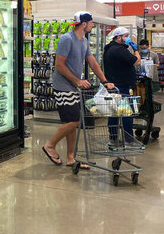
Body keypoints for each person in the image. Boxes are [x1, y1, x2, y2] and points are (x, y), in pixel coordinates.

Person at [43, 12, 114, 168]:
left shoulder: (84, 41)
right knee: (74, 121)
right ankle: (50, 145)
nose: (93, 25)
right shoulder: (66, 39)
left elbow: (93, 63)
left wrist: (105, 81)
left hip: (73, 86)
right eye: (91, 22)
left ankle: (70, 158)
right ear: (84, 24)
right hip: (62, 87)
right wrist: (77, 81)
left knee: (72, 123)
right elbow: (59, 65)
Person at [103, 27, 141, 147]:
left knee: (113, 113)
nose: (127, 38)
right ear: (118, 37)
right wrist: (136, 50)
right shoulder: (119, 50)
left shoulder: (109, 48)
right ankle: (129, 140)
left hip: (113, 85)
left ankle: (113, 138)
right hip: (122, 86)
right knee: (126, 113)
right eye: (126, 36)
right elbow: (137, 62)